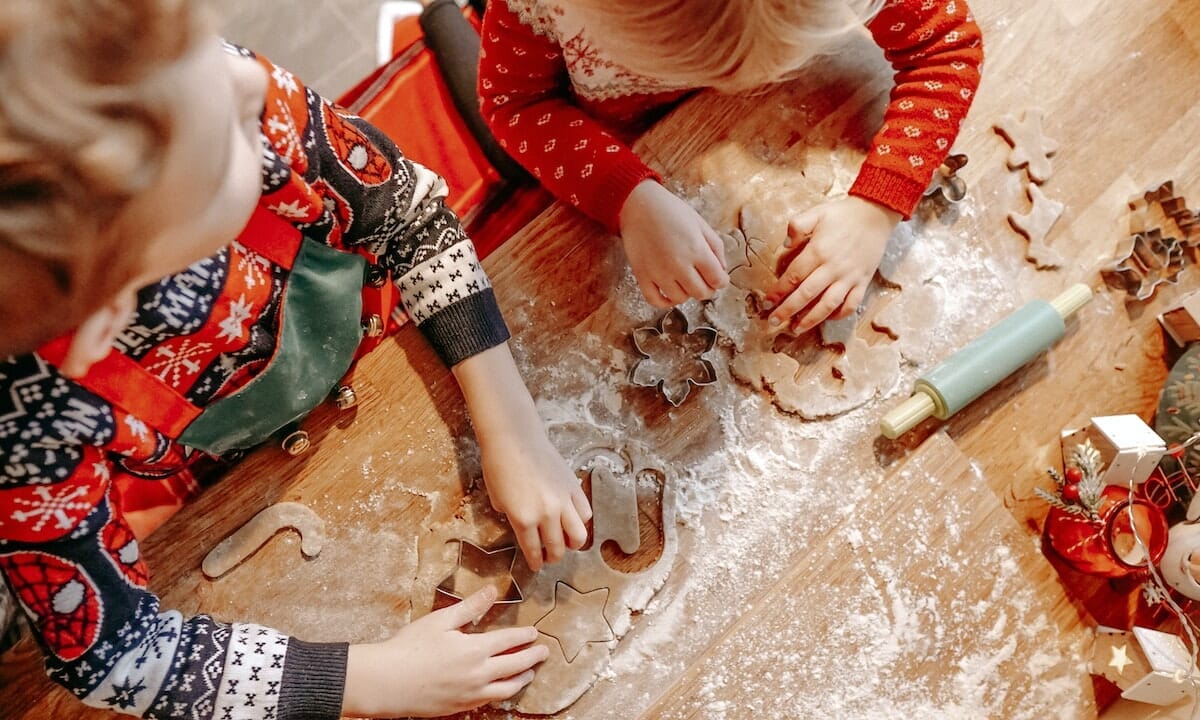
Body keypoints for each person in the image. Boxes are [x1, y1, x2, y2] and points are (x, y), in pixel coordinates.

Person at [0, 0, 593, 717]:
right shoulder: (31, 430)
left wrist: (513, 433)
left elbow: (409, 218)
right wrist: (371, 683)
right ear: (110, 315)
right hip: (235, 460)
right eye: (227, 142)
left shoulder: (201, 85)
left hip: (380, 335)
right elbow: (117, 653)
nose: (254, 82)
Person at [478, 0, 983, 334]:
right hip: (594, 120)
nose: (736, 87)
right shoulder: (540, 7)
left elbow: (948, 47)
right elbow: (514, 104)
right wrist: (626, 196)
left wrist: (878, 206)